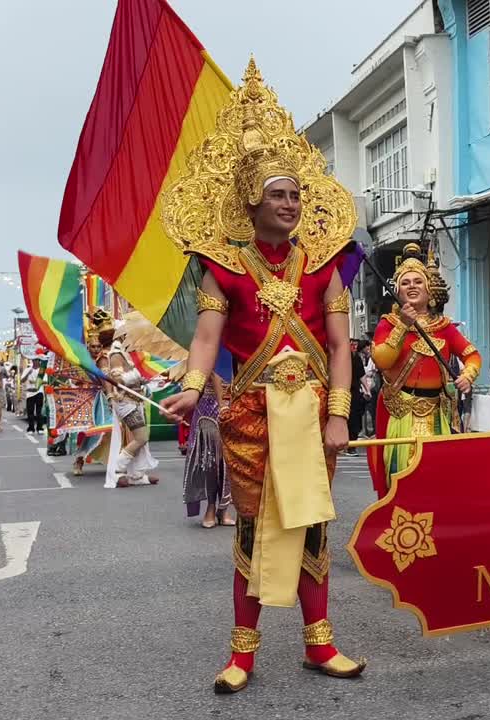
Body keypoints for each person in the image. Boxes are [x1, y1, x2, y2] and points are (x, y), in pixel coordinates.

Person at [157, 60, 367, 693]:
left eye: (297, 194)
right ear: (251, 202)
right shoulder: (222, 270)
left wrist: (338, 414)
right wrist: (189, 393)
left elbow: (339, 345)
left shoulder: (323, 263)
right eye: (279, 194)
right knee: (253, 526)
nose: (291, 204)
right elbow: (205, 339)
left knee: (311, 521)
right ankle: (242, 653)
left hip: (310, 415)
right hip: (249, 413)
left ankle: (320, 642)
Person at [370, 243, 480, 488]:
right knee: (400, 473)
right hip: (402, 412)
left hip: (437, 413)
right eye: (406, 282)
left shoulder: (444, 327)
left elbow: (472, 355)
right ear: (397, 290)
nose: (412, 286)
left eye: (418, 282)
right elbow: (382, 360)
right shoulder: (388, 324)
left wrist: (468, 376)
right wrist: (403, 326)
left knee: (438, 477)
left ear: (429, 290)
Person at [183, 372, 234, 528]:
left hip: (236, 401)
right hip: (210, 407)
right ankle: (211, 507)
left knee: (230, 460)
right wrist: (221, 404)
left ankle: (223, 508)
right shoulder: (212, 348)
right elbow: (213, 372)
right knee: (210, 459)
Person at [104, 345, 158, 488]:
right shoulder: (116, 355)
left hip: (137, 401)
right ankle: (117, 468)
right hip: (124, 402)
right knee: (141, 437)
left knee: (141, 439)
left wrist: (150, 378)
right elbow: (117, 381)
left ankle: (136, 475)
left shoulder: (135, 355)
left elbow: (139, 379)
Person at [347, 338, 367, 453]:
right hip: (342, 390)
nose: (354, 347)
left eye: (355, 345)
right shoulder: (341, 358)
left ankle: (352, 446)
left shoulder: (357, 358)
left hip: (354, 391)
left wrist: (367, 389)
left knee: (354, 418)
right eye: (351, 344)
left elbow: (361, 374)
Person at [22, 361, 46, 433]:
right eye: (34, 360)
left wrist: (36, 382)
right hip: (29, 393)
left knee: (39, 411)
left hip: (39, 392)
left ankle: (40, 428)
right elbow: (22, 380)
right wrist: (28, 373)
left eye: (36, 360)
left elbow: (45, 381)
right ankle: (31, 428)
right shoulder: (27, 369)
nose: (35, 362)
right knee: (30, 411)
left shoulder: (42, 370)